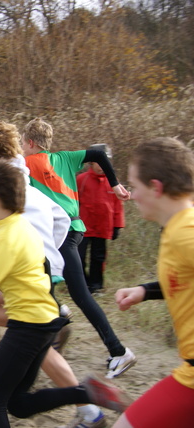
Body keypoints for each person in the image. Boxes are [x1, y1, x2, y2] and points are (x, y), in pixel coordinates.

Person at [0, 160, 132, 427]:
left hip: (26, 328)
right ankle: (86, 392)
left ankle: (86, 393)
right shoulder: (24, 226)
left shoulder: (4, 237)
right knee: (17, 403)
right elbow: (43, 268)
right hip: (45, 324)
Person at [0, 121, 105, 427]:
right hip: (41, 267)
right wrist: (49, 254)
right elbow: (60, 218)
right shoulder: (22, 172)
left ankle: (86, 403)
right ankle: (84, 399)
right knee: (30, 340)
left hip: (27, 270)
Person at [21, 117, 136, 379]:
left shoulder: (27, 164)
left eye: (22, 143)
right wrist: (115, 184)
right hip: (72, 229)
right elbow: (97, 153)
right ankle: (55, 315)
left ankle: (118, 351)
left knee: (81, 295)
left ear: (29, 142)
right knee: (39, 279)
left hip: (61, 234)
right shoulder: (66, 158)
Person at [112, 137, 194, 428]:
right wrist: (145, 291)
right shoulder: (178, 227)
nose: (131, 196)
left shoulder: (186, 231)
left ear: (156, 187)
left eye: (135, 186)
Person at [77, 144, 125, 294]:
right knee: (79, 256)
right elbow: (73, 202)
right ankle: (82, 285)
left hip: (103, 227)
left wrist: (118, 225)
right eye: (99, 162)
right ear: (91, 162)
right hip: (83, 227)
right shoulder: (81, 180)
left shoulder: (113, 181)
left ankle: (96, 286)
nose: (103, 165)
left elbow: (118, 205)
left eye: (107, 161)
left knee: (98, 258)